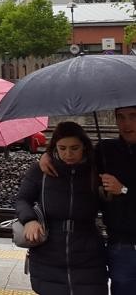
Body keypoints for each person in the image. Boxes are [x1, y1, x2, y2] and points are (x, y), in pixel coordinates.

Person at [41, 106, 136, 293]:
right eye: (121, 117)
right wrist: (47, 156)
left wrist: (124, 190)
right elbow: (75, 161)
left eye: (133, 116)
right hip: (121, 244)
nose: (127, 124)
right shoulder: (106, 150)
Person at [18, 121, 107, 295]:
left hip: (88, 256)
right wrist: (29, 220)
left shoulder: (97, 170)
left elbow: (112, 208)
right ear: (55, 147)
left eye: (74, 148)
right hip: (48, 254)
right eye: (62, 148)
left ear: (84, 147)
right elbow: (22, 199)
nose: (68, 154)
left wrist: (109, 195)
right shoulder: (40, 170)